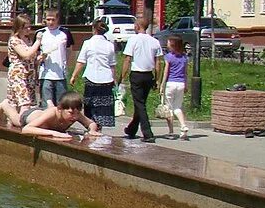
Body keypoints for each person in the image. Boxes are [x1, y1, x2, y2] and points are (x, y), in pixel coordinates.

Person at [118, 14, 163, 143]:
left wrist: (122, 76)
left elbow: (127, 59)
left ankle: (148, 133)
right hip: (149, 75)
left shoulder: (133, 40)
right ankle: (131, 129)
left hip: (137, 74)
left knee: (140, 104)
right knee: (140, 103)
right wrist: (157, 79)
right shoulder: (154, 41)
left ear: (137, 26)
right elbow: (158, 63)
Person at [0, 90, 103, 141]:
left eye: (77, 113)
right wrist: (54, 133)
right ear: (60, 109)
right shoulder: (53, 112)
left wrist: (92, 130)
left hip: (45, 115)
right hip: (30, 117)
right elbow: (26, 129)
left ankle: (48, 103)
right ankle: (5, 105)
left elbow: (91, 123)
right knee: (16, 120)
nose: (75, 117)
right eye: (71, 113)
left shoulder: (75, 113)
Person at [70, 17, 117, 129]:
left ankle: (91, 126)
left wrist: (74, 76)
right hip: (106, 79)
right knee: (103, 106)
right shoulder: (110, 45)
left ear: (94, 29)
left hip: (91, 77)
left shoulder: (88, 43)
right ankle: (99, 127)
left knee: (90, 105)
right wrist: (114, 79)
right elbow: (112, 65)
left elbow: (81, 62)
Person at [0, 13, 41, 115]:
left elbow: (32, 58)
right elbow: (25, 55)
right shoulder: (14, 40)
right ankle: (20, 123)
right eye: (25, 27)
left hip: (29, 75)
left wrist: (39, 58)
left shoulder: (28, 40)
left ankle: (2, 111)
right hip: (18, 75)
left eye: (30, 27)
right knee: (25, 103)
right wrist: (38, 41)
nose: (29, 29)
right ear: (19, 28)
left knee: (18, 103)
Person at [37, 10, 71, 107]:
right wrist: (40, 58)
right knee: (46, 105)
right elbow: (36, 53)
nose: (51, 22)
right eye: (48, 20)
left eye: (53, 20)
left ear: (57, 19)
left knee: (61, 104)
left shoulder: (65, 32)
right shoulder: (40, 33)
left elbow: (69, 50)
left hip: (60, 74)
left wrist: (65, 63)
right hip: (45, 74)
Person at [159, 35, 190, 140]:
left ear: (173, 45)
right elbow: (185, 73)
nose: (167, 44)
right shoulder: (184, 58)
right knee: (177, 107)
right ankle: (183, 126)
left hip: (170, 84)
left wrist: (162, 84)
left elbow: (166, 72)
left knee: (169, 108)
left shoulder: (168, 57)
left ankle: (171, 132)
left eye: (168, 43)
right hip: (181, 84)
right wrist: (186, 84)